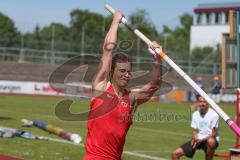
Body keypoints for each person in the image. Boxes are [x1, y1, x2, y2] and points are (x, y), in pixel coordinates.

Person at [84, 11, 162, 160]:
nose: (127, 74)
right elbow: (108, 51)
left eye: (129, 71)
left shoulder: (132, 97)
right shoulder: (101, 88)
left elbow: (154, 86)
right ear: (112, 72)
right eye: (122, 71)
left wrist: (157, 58)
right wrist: (115, 22)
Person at [172, 96, 219, 160]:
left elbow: (213, 134)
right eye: (200, 102)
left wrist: (200, 140)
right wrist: (195, 138)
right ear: (198, 103)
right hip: (197, 140)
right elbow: (195, 130)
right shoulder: (195, 114)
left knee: (211, 142)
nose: (202, 104)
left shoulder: (214, 114)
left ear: (208, 103)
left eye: (204, 102)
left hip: (208, 139)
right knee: (175, 153)